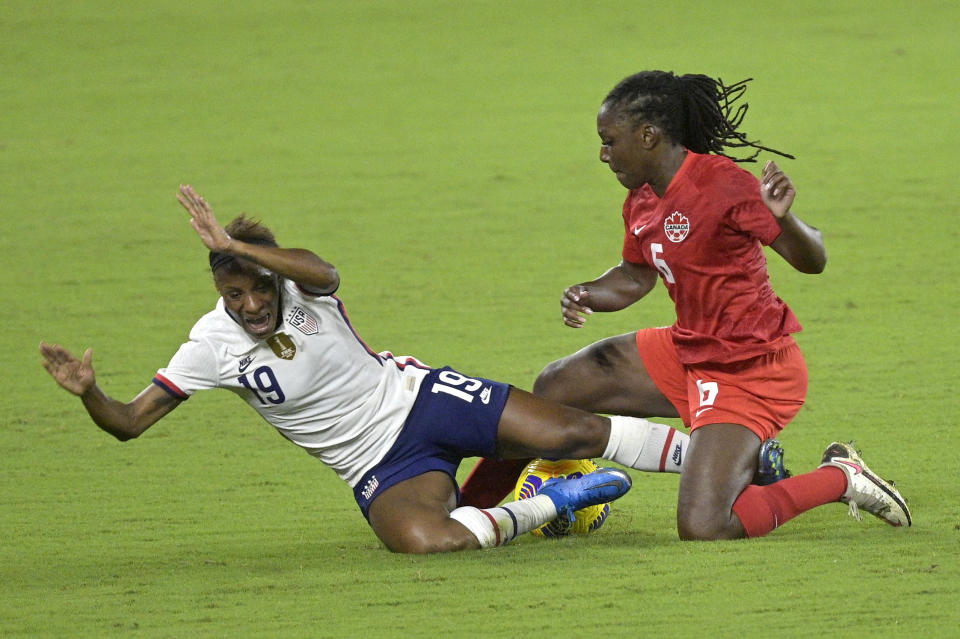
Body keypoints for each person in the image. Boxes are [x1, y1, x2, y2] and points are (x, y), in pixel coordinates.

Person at [41, 184, 700, 555]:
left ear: (272, 277)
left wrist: (235, 244)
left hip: (420, 397)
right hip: (375, 465)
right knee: (425, 541)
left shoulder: (304, 287)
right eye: (234, 295)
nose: (250, 306)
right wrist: (90, 391)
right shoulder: (211, 343)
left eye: (258, 289)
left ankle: (728, 458)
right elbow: (128, 422)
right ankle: (547, 502)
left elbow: (323, 269)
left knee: (572, 432)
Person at [471, 71, 911, 539]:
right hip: (688, 352)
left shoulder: (722, 185)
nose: (602, 154)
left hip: (750, 369)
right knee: (558, 385)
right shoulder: (642, 196)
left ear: (648, 135)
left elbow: (814, 260)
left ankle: (842, 477)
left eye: (608, 141)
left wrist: (789, 221)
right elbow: (636, 274)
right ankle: (471, 508)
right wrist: (589, 292)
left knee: (704, 526)